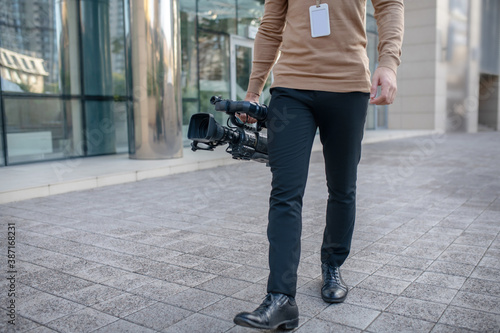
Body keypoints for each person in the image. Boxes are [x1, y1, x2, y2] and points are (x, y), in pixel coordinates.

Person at [233, 0, 404, 330]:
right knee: (285, 191)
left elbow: (389, 5)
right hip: (291, 88)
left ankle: (332, 264)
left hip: (349, 86)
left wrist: (389, 63)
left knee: (342, 188)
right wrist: (254, 89)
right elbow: (270, 25)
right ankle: (281, 298)